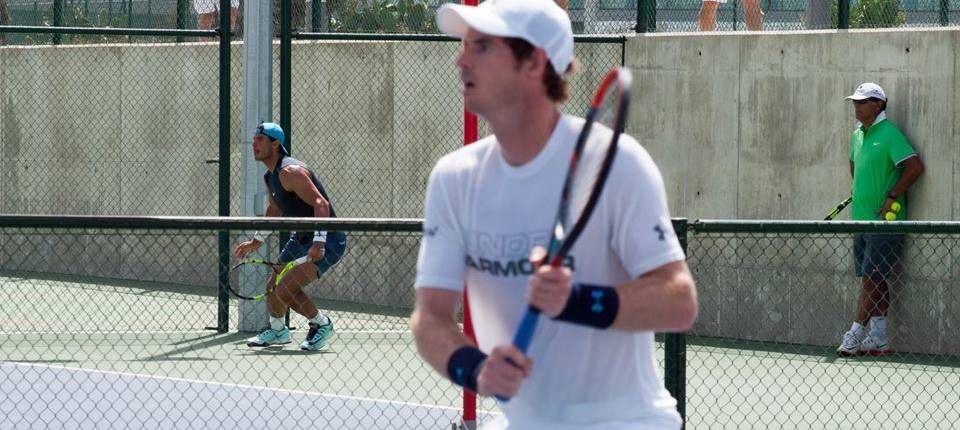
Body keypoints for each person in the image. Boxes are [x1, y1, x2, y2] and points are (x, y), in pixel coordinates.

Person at [410, 1, 698, 429]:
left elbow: (679, 301)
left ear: (534, 63)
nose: (461, 58)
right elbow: (429, 318)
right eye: (465, 44)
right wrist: (476, 369)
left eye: (483, 46)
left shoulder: (615, 163)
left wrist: (577, 301)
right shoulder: (454, 179)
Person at [233, 122, 347, 351]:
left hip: (328, 239)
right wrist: (256, 242)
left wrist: (319, 242)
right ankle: (278, 331)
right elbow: (275, 210)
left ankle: (321, 324)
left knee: (286, 288)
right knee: (272, 285)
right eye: (254, 139)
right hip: (300, 238)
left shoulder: (290, 172)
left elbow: (321, 204)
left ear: (275, 144)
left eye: (260, 139)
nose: (254, 143)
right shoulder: (270, 177)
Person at [836, 83, 924, 357]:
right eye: (855, 101)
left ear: (878, 105)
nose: (856, 106)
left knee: (872, 279)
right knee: (871, 279)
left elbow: (915, 167)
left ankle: (855, 333)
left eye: (863, 102)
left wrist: (891, 195)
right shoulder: (857, 136)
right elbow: (855, 166)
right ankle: (879, 338)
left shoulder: (889, 134)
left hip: (885, 223)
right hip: (860, 221)